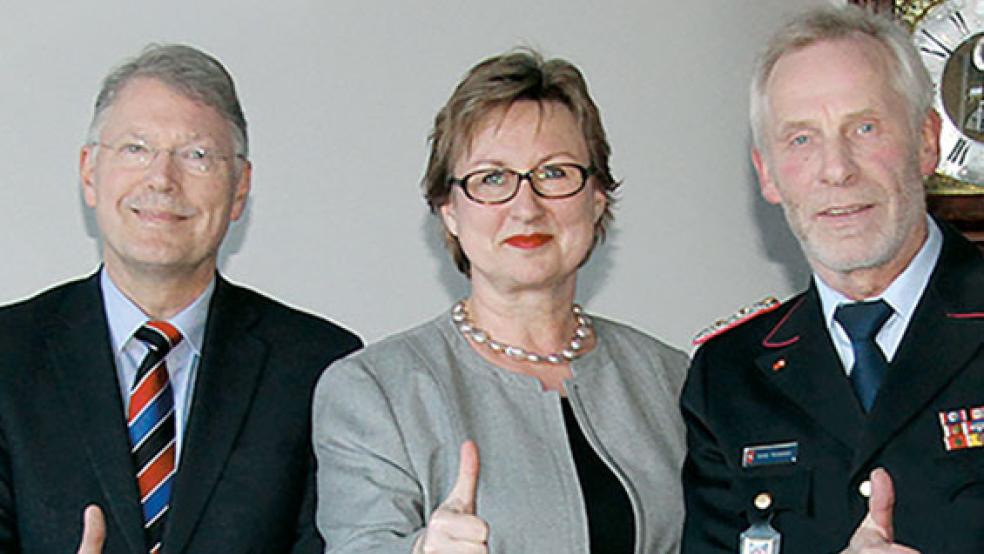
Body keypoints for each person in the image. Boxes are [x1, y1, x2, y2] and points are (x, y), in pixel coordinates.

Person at [313, 49, 688, 553]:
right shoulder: (374, 390)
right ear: (449, 210)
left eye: (554, 173)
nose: (526, 206)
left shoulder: (670, 379)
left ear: (596, 198)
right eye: (492, 178)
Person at [0, 44, 362, 553]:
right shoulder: (8, 357)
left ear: (240, 189)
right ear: (89, 173)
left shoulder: (320, 367)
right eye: (135, 148)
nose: (162, 179)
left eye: (196, 155)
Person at [681, 5, 984, 554]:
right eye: (801, 139)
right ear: (767, 174)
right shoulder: (727, 379)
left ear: (926, 142)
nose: (836, 168)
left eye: (864, 128)